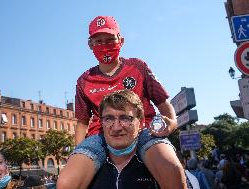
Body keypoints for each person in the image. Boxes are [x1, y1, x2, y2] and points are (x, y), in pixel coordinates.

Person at [58, 16, 186, 189]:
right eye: (98, 41)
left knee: (171, 169)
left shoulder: (138, 67)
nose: (105, 46)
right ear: (90, 45)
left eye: (110, 40)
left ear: (121, 40)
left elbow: (162, 102)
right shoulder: (84, 80)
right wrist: (78, 153)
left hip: (144, 130)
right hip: (100, 137)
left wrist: (171, 124)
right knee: (66, 182)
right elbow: (82, 122)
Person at [88, 90, 160, 189]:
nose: (116, 128)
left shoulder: (159, 169)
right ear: (101, 123)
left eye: (125, 118)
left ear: (141, 122)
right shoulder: (88, 173)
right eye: (108, 119)